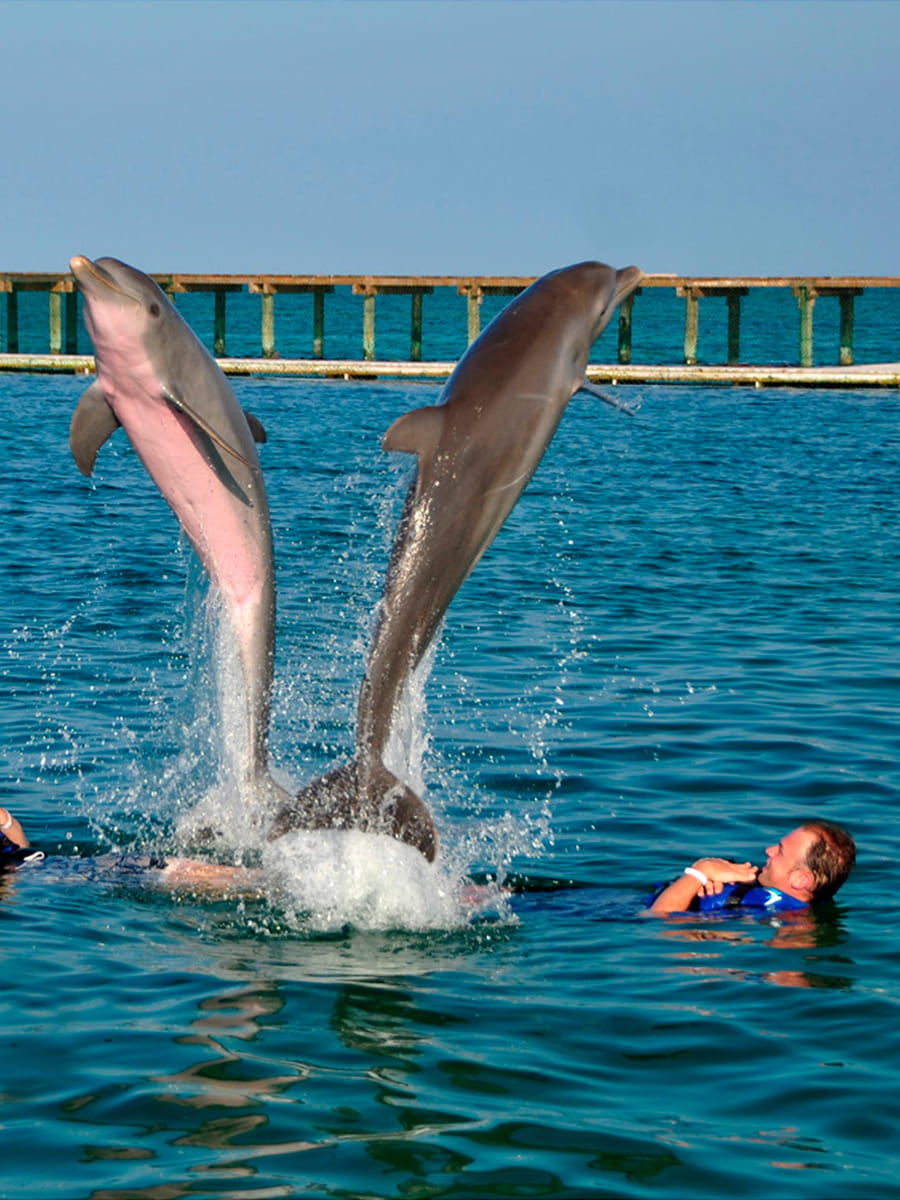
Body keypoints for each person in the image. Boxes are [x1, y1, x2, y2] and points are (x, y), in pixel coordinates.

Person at [647, 819, 856, 916]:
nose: (769, 850)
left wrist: (701, 872)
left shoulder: (764, 910)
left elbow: (659, 921)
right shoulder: (759, 889)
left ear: (800, 880)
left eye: (780, 851)